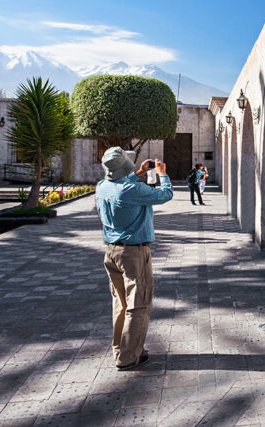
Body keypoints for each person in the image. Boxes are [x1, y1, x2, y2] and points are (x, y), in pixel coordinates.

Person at [95, 147, 173, 370]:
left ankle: (120, 350)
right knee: (138, 304)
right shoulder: (132, 189)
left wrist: (137, 173)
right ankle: (128, 357)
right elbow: (165, 195)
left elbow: (122, 184)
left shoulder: (102, 186)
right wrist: (163, 174)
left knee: (120, 304)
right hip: (133, 253)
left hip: (112, 252)